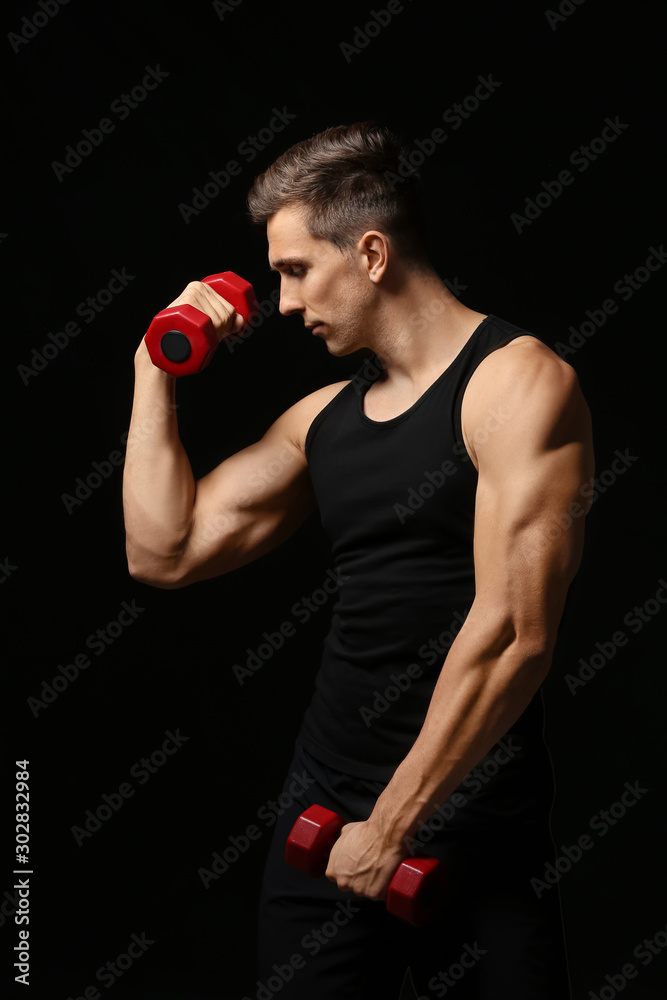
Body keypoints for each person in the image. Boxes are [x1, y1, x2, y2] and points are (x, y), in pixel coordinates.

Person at [123, 122, 594, 999]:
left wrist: (392, 825)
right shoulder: (324, 420)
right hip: (323, 809)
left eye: (296, 269)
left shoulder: (517, 385)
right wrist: (155, 366)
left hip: (472, 821)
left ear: (371, 252)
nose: (285, 302)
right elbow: (165, 550)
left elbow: (512, 633)